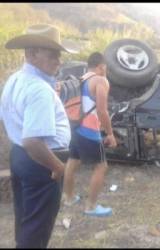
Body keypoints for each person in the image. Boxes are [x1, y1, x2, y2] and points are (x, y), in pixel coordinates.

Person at [0, 24, 77, 248]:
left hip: (22, 156)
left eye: (59, 56)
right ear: (32, 54)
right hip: (41, 161)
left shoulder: (15, 80)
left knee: (26, 217)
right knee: (38, 227)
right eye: (53, 55)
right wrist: (58, 167)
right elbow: (33, 141)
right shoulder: (38, 89)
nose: (59, 61)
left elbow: (7, 121)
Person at [63, 52, 117, 217]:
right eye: (105, 67)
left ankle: (69, 198)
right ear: (101, 66)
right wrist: (110, 134)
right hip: (89, 131)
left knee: (72, 162)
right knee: (101, 166)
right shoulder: (101, 80)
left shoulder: (81, 79)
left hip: (75, 127)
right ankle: (91, 207)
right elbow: (102, 111)